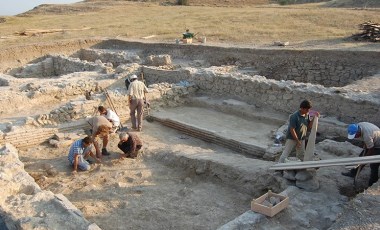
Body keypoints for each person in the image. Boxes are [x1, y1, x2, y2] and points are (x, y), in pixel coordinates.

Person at [341, 122, 380, 186]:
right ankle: (353, 173)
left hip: (378, 146)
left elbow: (371, 149)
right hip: (373, 140)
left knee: (374, 164)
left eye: (355, 136)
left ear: (358, 132)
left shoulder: (367, 135)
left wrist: (365, 159)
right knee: (360, 157)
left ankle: (372, 183)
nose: (355, 137)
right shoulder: (359, 125)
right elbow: (368, 142)